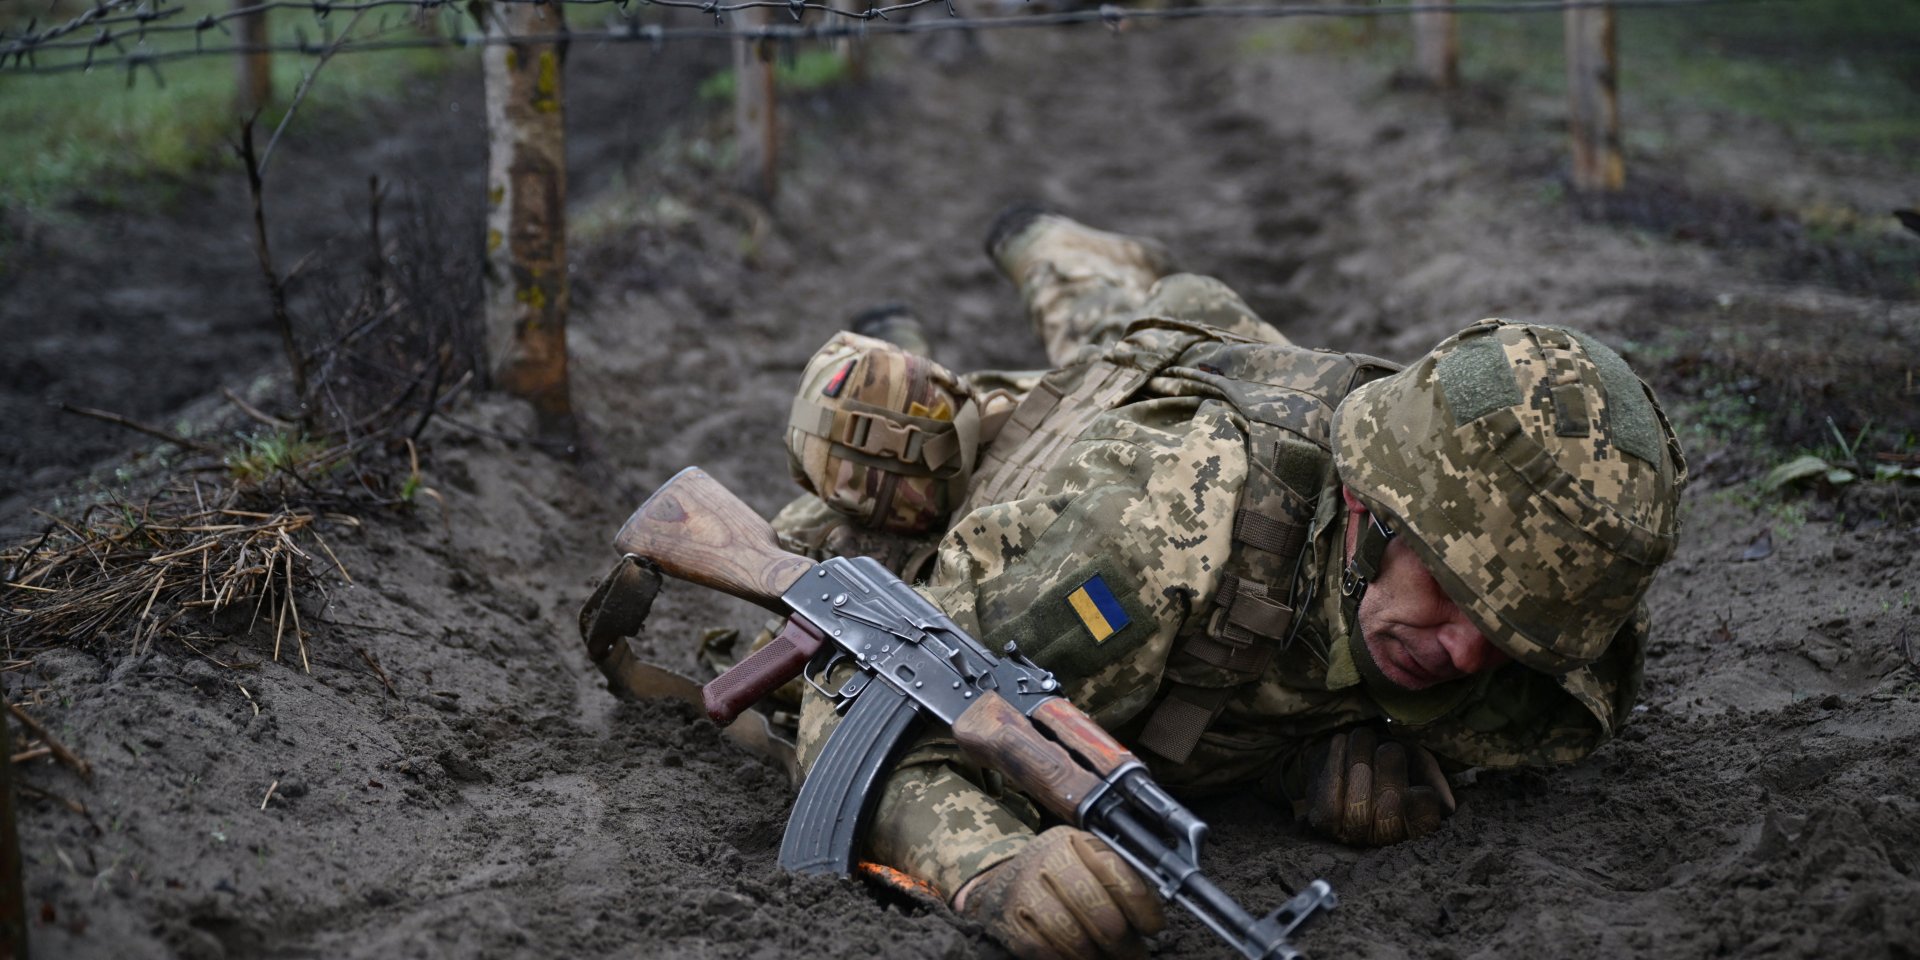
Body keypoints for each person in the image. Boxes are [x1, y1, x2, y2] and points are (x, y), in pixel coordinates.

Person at [685, 208, 1685, 960]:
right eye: (1455, 593)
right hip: (1073, 456)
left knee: (1177, 309)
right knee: (909, 433)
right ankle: (1011, 275)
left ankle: (1087, 270)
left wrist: (1332, 746)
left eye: (1508, 632)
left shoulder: (1546, 604)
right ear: (1372, 508)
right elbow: (863, 701)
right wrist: (990, 865)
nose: (1468, 651)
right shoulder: (1152, 535)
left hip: (1232, 359)